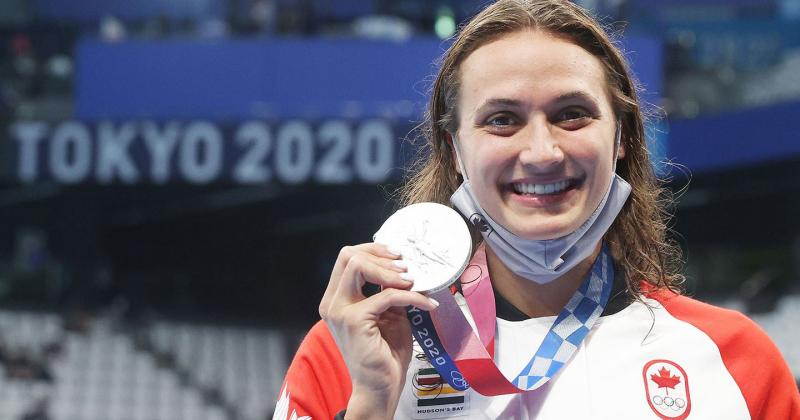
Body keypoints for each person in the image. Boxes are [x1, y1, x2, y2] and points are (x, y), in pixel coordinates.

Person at [273, 1, 800, 419]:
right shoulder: (352, 352)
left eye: (572, 114)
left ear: (620, 138)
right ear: (456, 150)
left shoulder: (736, 361)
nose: (542, 152)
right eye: (502, 120)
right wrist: (368, 409)